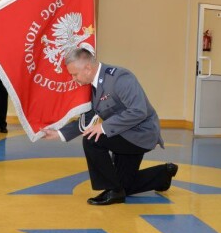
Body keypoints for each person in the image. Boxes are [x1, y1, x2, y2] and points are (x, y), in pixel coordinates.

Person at [42, 48, 178, 206]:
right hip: (122, 132)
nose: (73, 79)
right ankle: (163, 175)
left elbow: (138, 111)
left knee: (92, 139)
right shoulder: (92, 86)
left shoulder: (120, 78)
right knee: (124, 184)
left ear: (87, 68)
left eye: (75, 74)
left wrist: (104, 127)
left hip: (140, 134)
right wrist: (58, 133)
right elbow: (88, 117)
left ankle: (112, 190)